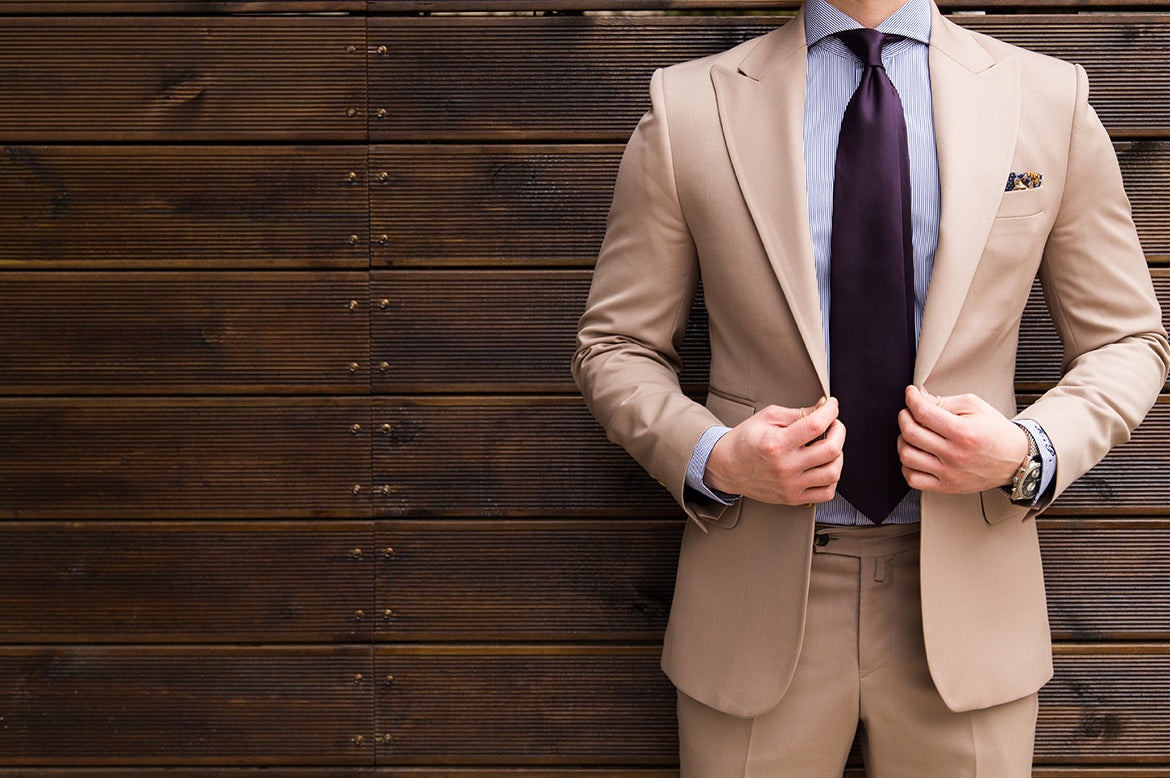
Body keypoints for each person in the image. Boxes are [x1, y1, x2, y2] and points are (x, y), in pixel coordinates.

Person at [572, 0, 1170, 774]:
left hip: (971, 604)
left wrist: (1029, 449)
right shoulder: (690, 103)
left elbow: (1128, 339)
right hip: (754, 602)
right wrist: (714, 457)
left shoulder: (1046, 98)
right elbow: (615, 346)